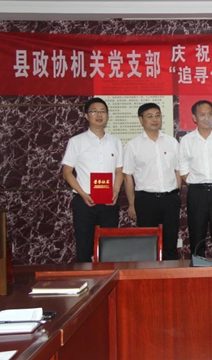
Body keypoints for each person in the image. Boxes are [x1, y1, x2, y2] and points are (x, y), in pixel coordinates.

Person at [62, 98, 123, 262]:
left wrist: (116, 191)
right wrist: (83, 194)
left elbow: (119, 171)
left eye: (102, 111)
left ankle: (109, 276)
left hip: (109, 201)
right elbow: (67, 172)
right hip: (85, 201)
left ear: (107, 115)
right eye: (94, 111)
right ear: (86, 116)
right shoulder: (76, 141)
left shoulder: (116, 142)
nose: (99, 115)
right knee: (84, 244)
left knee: (109, 245)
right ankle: (84, 277)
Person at [123, 103, 181, 260]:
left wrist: (176, 193)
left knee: (171, 242)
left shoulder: (171, 142)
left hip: (170, 198)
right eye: (149, 116)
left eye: (157, 115)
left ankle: (171, 272)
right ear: (141, 120)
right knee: (148, 244)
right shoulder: (132, 145)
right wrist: (132, 204)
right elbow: (128, 177)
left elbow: (177, 170)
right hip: (146, 200)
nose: (154, 119)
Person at [179, 100, 212, 258]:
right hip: (196, 192)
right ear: (194, 118)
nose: (207, 118)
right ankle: (198, 267)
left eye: (210, 114)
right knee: (197, 235)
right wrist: (195, 184)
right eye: (202, 114)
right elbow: (183, 167)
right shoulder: (187, 140)